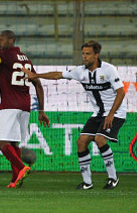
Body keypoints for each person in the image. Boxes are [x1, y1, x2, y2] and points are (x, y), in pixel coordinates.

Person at [22, 40, 126, 190]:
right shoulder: (80, 71)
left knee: (99, 139)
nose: (84, 57)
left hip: (115, 113)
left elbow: (121, 92)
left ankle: (113, 178)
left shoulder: (109, 70)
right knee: (81, 142)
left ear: (96, 55)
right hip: (98, 114)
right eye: (83, 53)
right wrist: (35, 75)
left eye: (88, 54)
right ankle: (87, 182)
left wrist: (110, 114)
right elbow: (58, 75)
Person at [0, 30, 50, 188]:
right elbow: (38, 83)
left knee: (3, 144)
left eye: (2, 40)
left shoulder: (3, 55)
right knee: (14, 143)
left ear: (11, 40)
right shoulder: (26, 59)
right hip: (25, 106)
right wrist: (41, 110)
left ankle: (21, 168)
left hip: (10, 105)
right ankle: (14, 180)